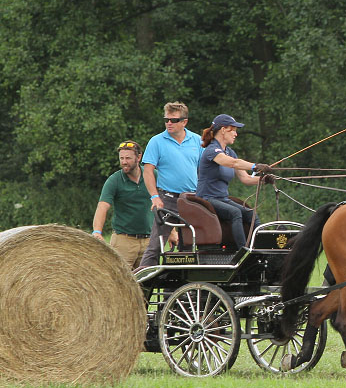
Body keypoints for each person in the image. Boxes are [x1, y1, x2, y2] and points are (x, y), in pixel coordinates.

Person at [138, 101, 203, 268]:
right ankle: (140, 289)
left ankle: (181, 289)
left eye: (173, 120)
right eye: (166, 119)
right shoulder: (157, 141)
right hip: (167, 199)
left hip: (191, 199)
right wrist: (154, 196)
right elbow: (147, 171)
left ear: (184, 122)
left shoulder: (197, 140)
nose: (169, 123)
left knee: (191, 246)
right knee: (155, 247)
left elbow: (204, 169)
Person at [197, 113, 274, 248]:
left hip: (222, 199)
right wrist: (255, 166)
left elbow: (245, 178)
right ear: (223, 130)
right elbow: (233, 163)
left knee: (251, 214)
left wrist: (264, 180)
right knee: (235, 213)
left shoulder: (230, 152)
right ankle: (242, 251)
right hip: (207, 198)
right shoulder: (211, 150)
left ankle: (263, 247)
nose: (236, 134)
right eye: (233, 130)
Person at [91, 140, 153, 269]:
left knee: (149, 284)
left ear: (139, 157)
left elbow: (164, 204)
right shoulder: (114, 180)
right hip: (124, 241)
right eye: (122, 158)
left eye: (128, 158)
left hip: (149, 241)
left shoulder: (152, 176)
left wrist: (172, 232)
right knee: (120, 282)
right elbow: (103, 206)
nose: (124, 162)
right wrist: (97, 231)